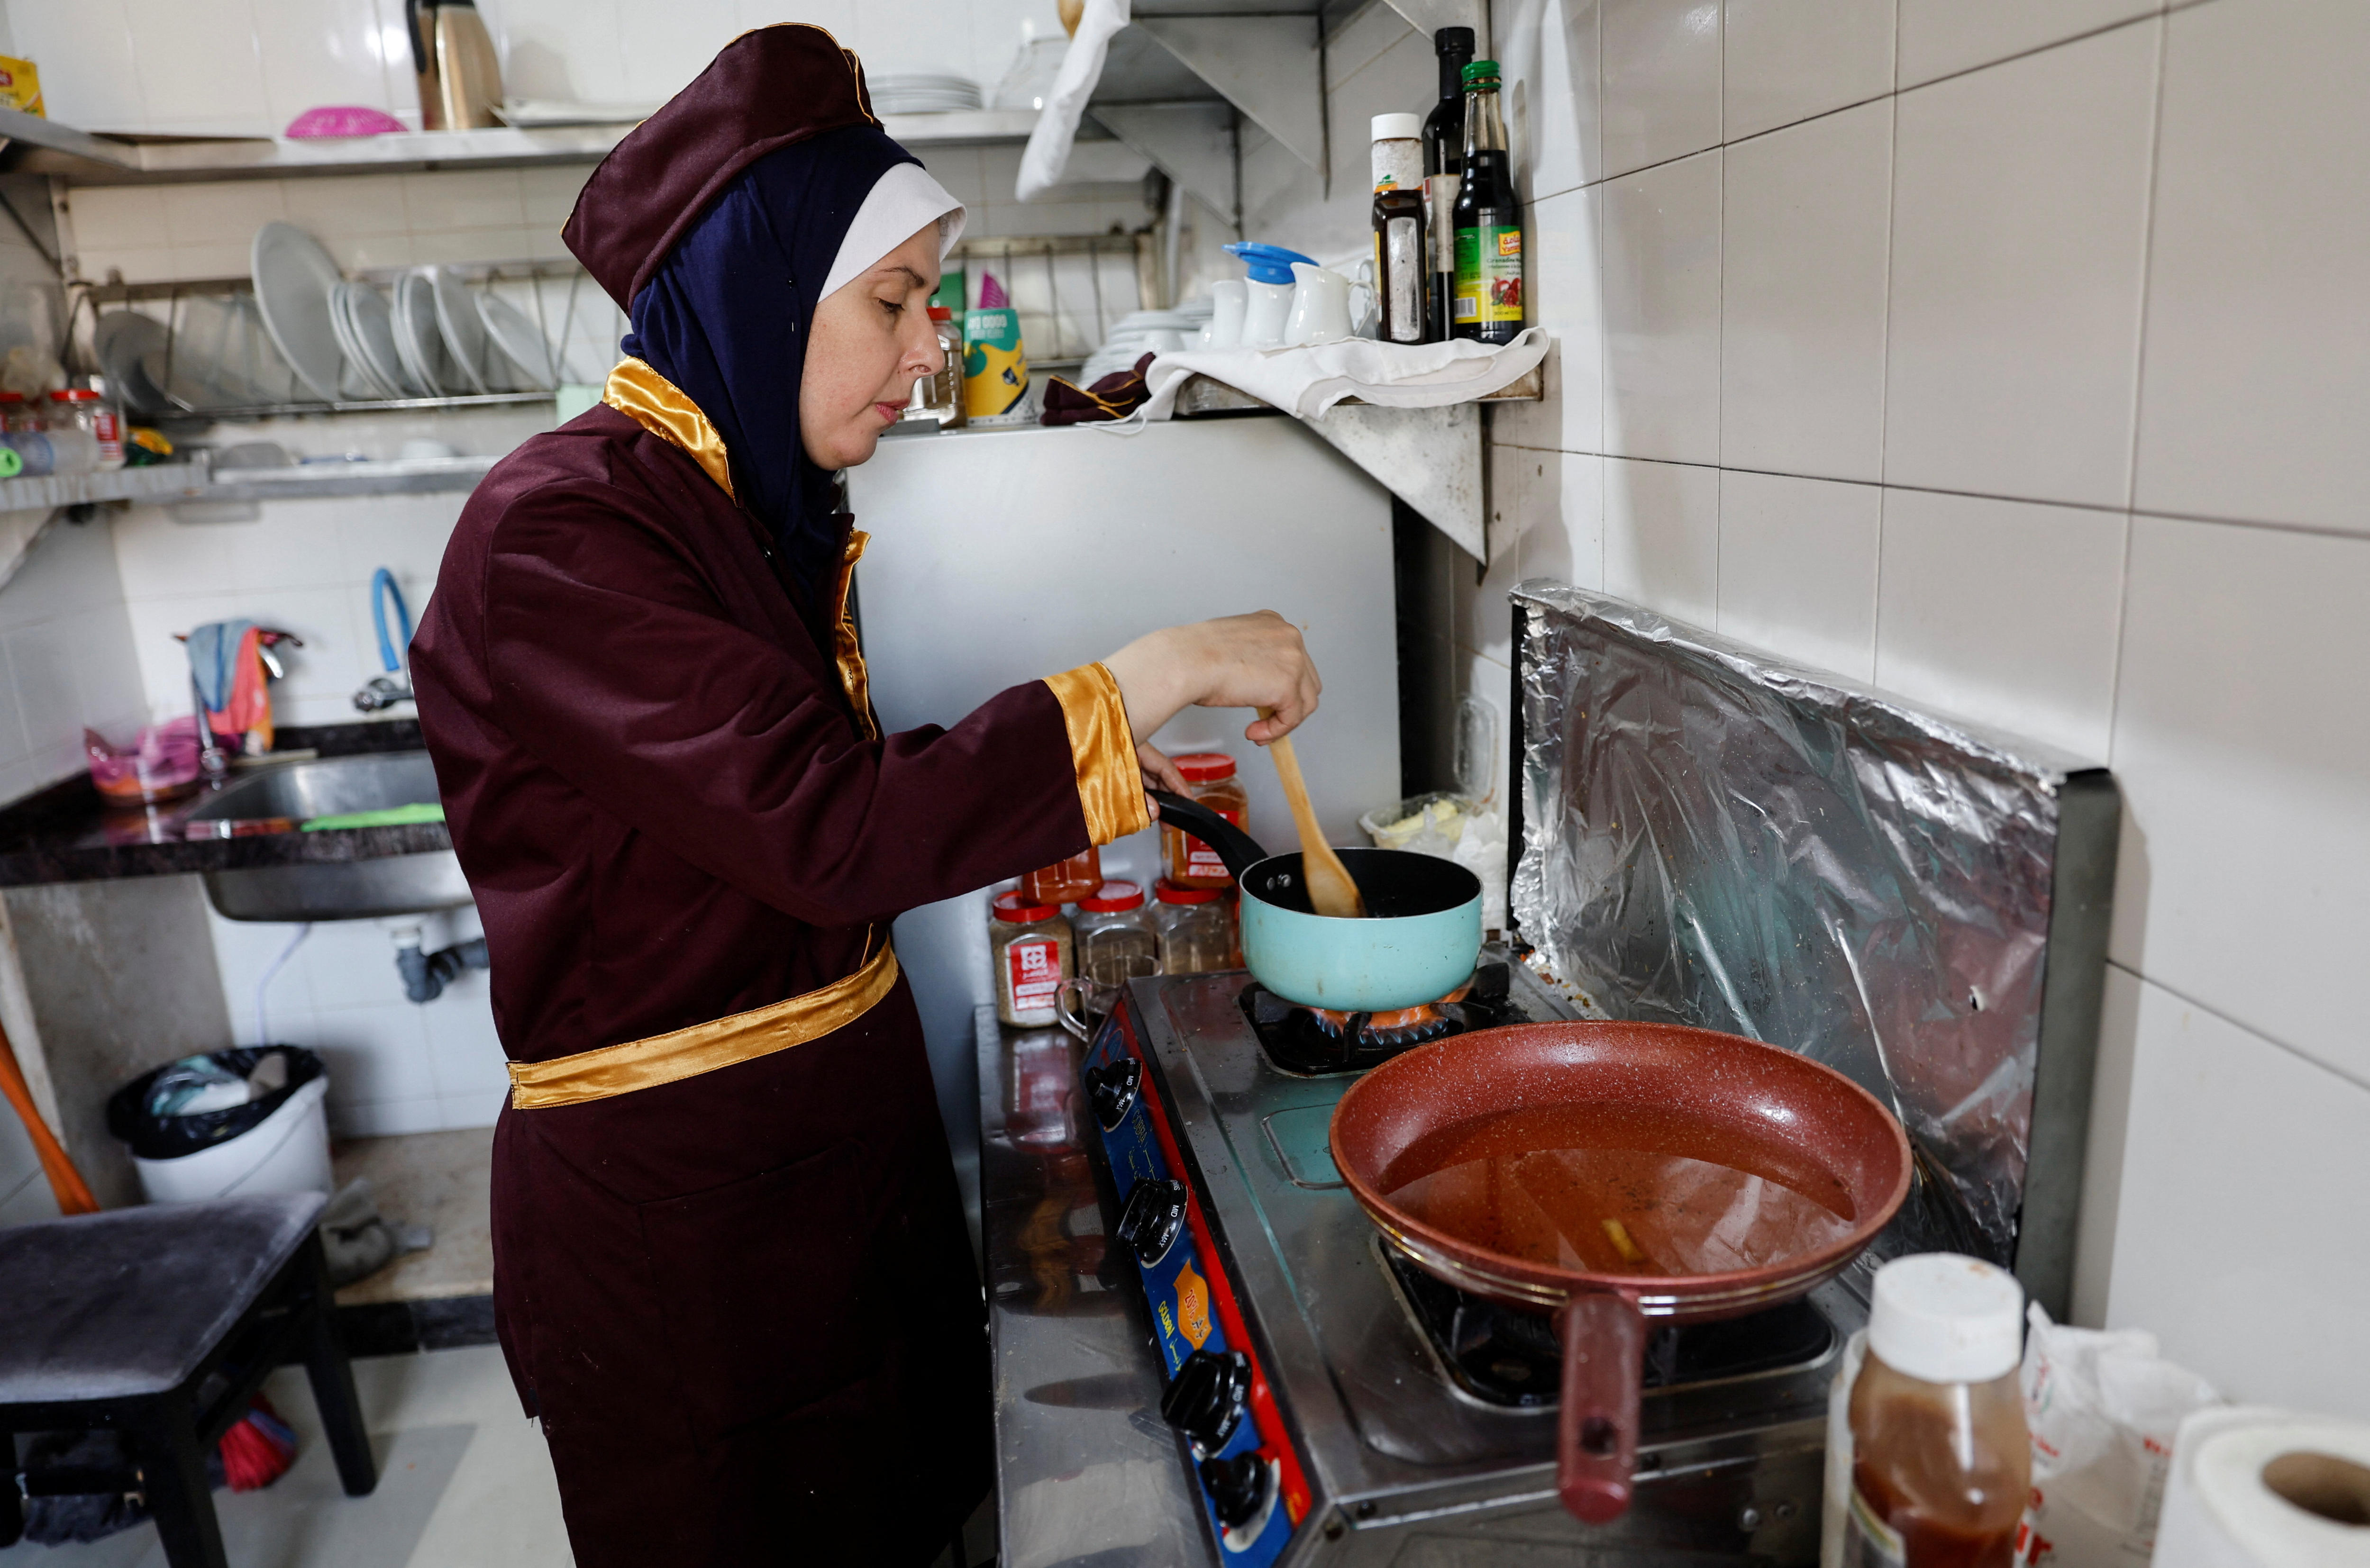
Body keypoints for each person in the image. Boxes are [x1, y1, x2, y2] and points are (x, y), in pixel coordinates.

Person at [407, 25, 1321, 1568]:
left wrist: (1096, 764)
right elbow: (829, 834)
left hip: (828, 1184)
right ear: (757, 297)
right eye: (894, 302)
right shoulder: (560, 536)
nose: (926, 349)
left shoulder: (740, 509)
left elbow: (791, 792)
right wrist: (1144, 673)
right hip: (690, 1242)